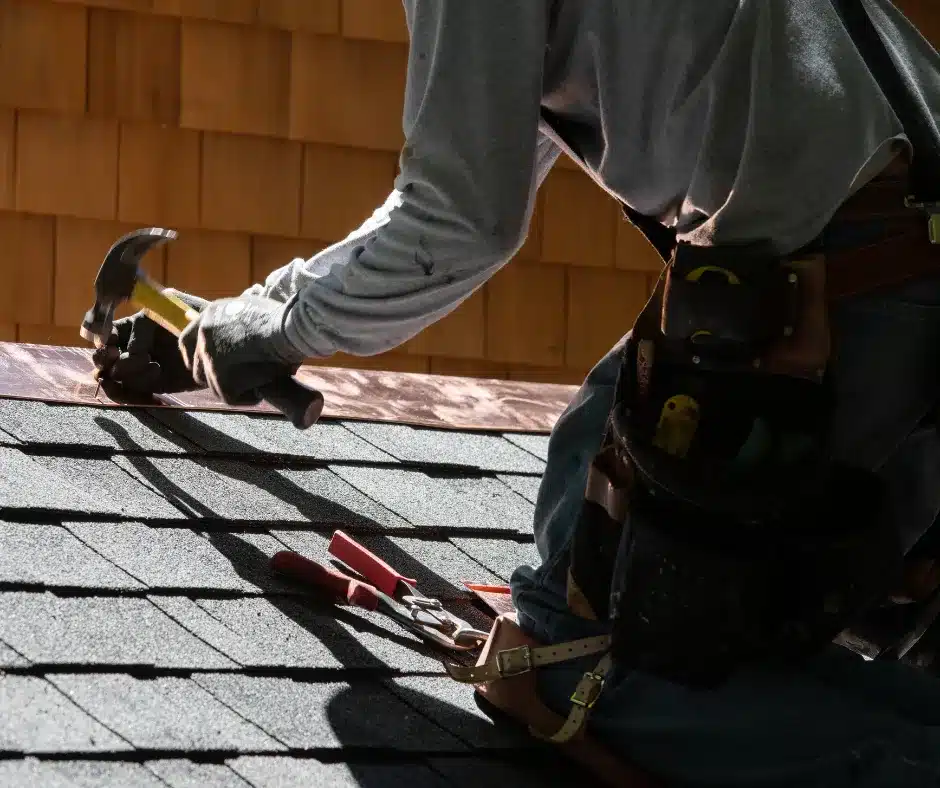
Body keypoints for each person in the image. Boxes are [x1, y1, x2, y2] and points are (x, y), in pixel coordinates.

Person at [93, 1, 940, 785]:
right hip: (882, 265)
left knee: (575, 659)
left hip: (840, 285)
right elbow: (481, 168)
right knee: (815, 619)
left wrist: (269, 332)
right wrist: (256, 320)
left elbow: (456, 221)